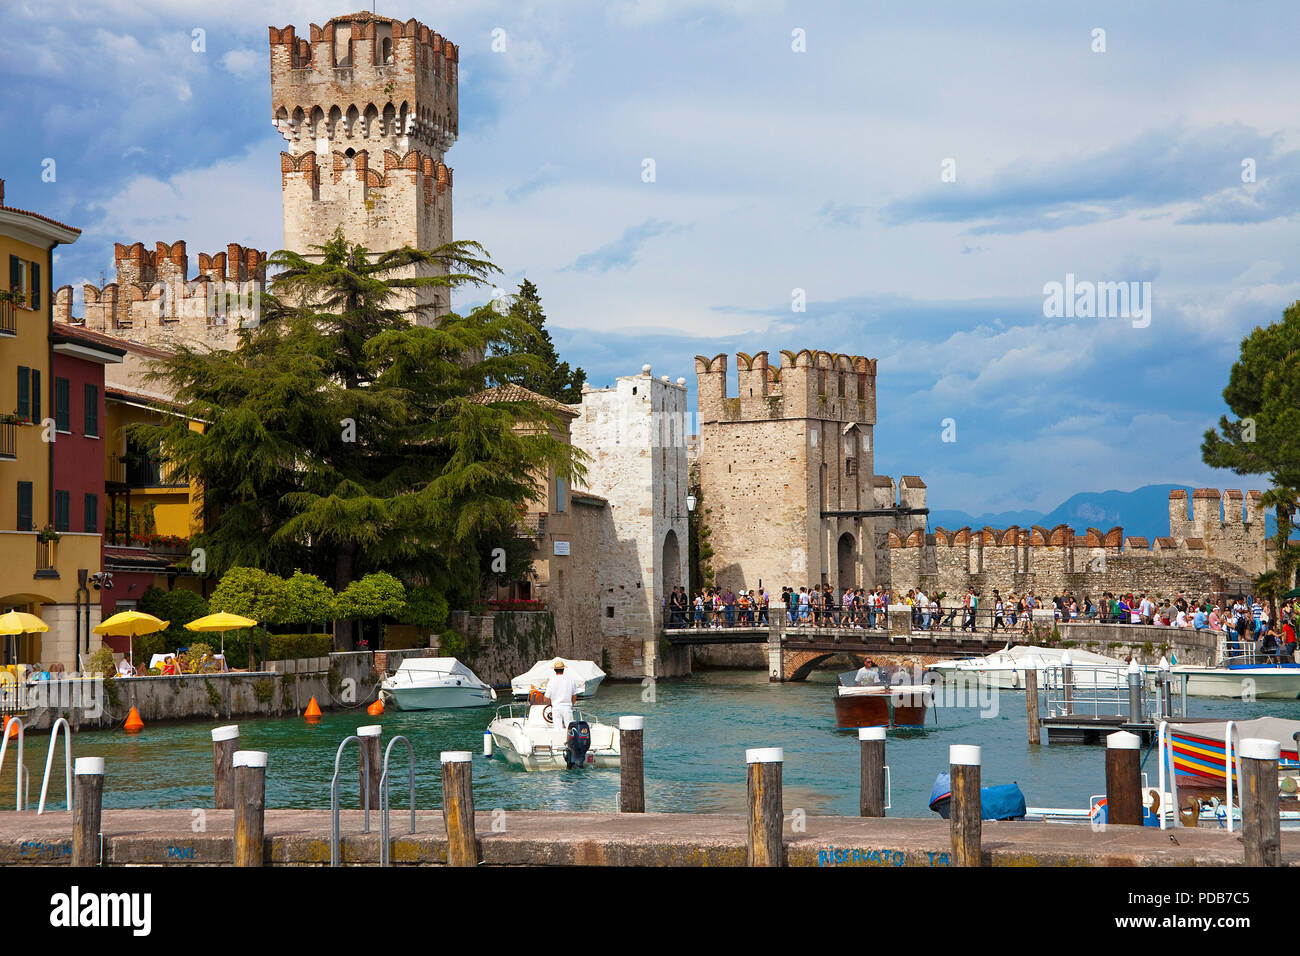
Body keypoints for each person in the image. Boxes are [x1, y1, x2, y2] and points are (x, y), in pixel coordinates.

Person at [544, 658, 577, 737]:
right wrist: (571, 704)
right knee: (570, 729)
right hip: (567, 707)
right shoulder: (570, 680)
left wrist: (551, 704)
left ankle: (558, 744)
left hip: (556, 708)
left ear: (555, 670)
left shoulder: (551, 681)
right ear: (563, 669)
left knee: (557, 730)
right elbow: (574, 695)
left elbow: (546, 698)